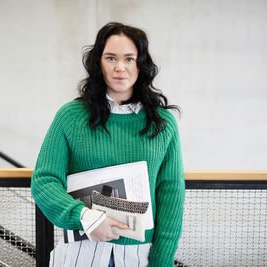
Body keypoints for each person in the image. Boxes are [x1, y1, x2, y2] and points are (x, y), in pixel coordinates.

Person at [31, 22, 185, 267]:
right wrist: (83, 217)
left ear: (141, 64)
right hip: (79, 254)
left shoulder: (163, 123)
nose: (120, 67)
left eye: (129, 59)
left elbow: (171, 196)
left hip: (139, 257)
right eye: (111, 58)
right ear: (98, 63)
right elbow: (44, 180)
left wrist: (161, 262)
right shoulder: (71, 116)